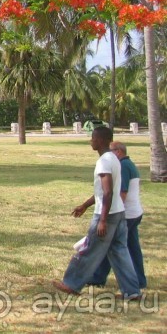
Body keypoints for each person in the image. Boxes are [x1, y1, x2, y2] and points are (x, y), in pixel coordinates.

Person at [53, 126, 141, 299]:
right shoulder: (114, 159)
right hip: (119, 213)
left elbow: (108, 192)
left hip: (107, 215)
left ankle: (71, 284)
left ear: (100, 140)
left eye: (92, 138)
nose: (90, 141)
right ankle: (132, 292)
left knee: (89, 249)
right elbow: (104, 191)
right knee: (119, 252)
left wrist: (102, 220)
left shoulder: (104, 162)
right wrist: (85, 205)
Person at [88, 141, 146, 289]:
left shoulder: (124, 166)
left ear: (119, 151)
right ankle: (139, 280)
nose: (109, 153)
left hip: (126, 213)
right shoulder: (127, 164)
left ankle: (98, 278)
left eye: (111, 150)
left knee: (112, 247)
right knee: (130, 248)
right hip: (134, 212)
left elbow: (122, 193)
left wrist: (112, 213)